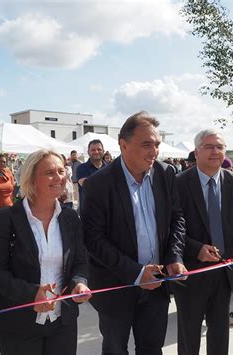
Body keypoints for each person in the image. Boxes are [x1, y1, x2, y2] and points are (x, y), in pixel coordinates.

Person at [82, 111, 186, 355]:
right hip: (115, 287)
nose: (154, 151)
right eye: (146, 144)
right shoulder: (98, 184)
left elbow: (177, 218)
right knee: (116, 349)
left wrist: (174, 258)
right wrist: (137, 273)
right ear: (123, 145)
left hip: (158, 284)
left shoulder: (166, 173)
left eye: (157, 145)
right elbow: (93, 239)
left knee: (151, 348)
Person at [0, 149, 91, 355]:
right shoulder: (8, 218)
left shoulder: (70, 218)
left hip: (63, 322)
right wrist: (33, 294)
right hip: (18, 325)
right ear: (31, 178)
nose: (59, 177)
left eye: (61, 171)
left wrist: (80, 283)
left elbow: (80, 262)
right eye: (50, 172)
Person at [173, 130, 233, 355]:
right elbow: (170, 229)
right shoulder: (179, 184)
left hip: (224, 272)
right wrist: (196, 248)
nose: (215, 151)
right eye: (209, 146)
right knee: (189, 336)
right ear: (197, 151)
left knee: (220, 334)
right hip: (190, 273)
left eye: (220, 147)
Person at [76, 140, 106, 212]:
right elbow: (87, 185)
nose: (96, 152)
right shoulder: (81, 168)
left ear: (103, 151)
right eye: (93, 150)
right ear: (88, 152)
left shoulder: (109, 168)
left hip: (107, 211)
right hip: (89, 211)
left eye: (99, 149)